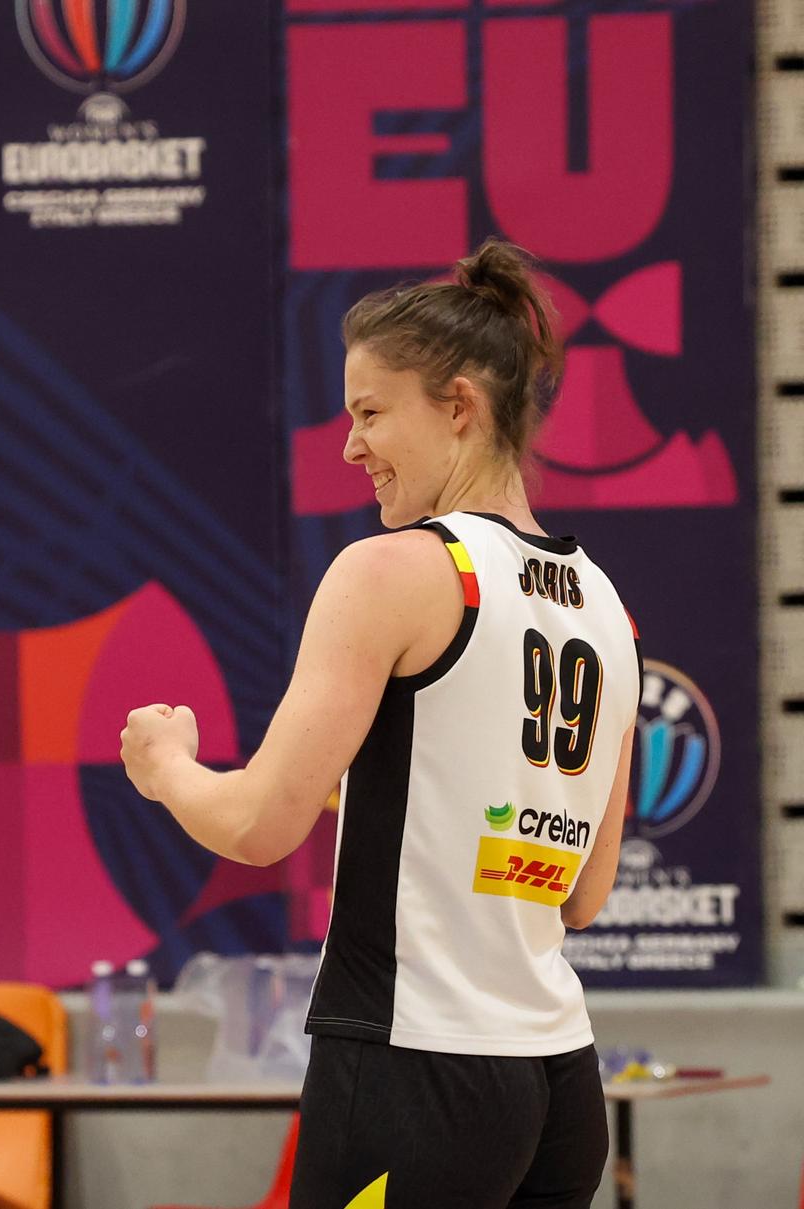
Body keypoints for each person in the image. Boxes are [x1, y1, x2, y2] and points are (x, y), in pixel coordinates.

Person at [120, 240, 639, 1209]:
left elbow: (254, 826)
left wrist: (166, 765)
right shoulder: (602, 603)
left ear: (458, 407)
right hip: (558, 1082)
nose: (351, 445)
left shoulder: (396, 570)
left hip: (417, 1065)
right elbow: (584, 893)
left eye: (369, 413)